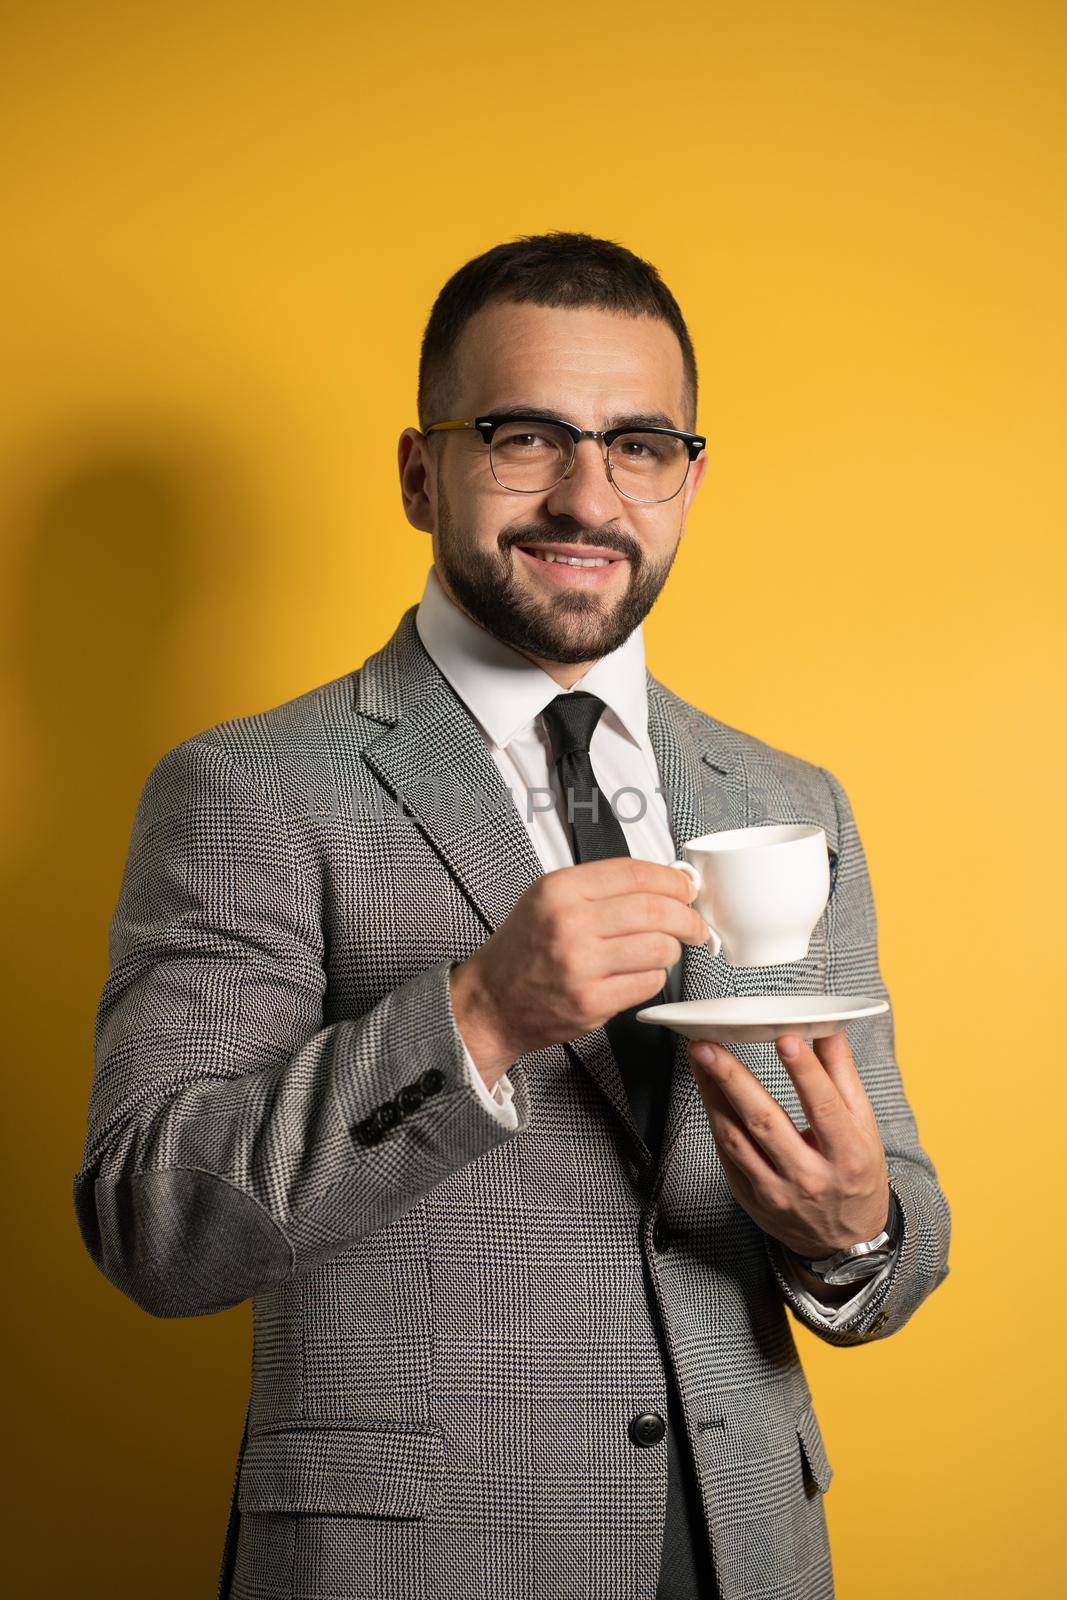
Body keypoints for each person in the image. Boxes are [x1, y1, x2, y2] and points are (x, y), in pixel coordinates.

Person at [73, 231, 950, 1600]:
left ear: (690, 478)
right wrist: (474, 1017)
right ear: (423, 473)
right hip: (416, 1565)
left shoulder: (787, 797)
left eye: (639, 443)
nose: (586, 495)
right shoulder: (248, 789)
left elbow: (894, 1215)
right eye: (525, 435)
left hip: (748, 1553)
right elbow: (154, 1223)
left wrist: (857, 1232)